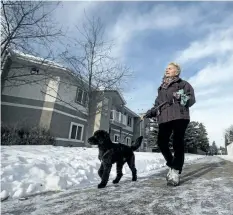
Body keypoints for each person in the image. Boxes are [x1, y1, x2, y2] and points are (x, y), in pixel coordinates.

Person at [144, 62, 196, 186]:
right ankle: (172, 164)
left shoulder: (183, 84)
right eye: (166, 68)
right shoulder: (162, 88)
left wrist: (181, 96)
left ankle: (176, 170)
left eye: (170, 68)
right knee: (161, 142)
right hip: (164, 117)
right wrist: (150, 113)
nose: (167, 70)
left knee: (177, 142)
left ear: (176, 71)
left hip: (180, 116)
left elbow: (191, 99)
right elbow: (158, 105)